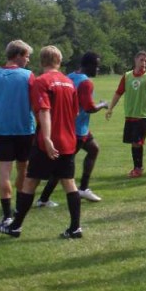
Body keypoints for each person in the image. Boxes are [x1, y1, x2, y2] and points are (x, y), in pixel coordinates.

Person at [0, 46, 83, 239]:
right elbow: (75, 112)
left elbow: (44, 110)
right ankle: (75, 228)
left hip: (48, 142)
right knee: (69, 183)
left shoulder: (41, 81)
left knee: (30, 182)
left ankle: (15, 227)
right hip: (69, 140)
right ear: (59, 61)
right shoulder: (69, 82)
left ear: (42, 61)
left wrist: (47, 138)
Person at [36, 52, 108, 206]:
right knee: (62, 167)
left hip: (72, 126)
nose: (98, 69)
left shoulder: (69, 76)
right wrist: (103, 104)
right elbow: (89, 108)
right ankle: (44, 199)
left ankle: (83, 188)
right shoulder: (86, 83)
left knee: (94, 149)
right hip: (76, 130)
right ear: (89, 65)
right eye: (96, 66)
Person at [0, 40, 35, 226]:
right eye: (27, 56)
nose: (28, 60)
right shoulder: (28, 76)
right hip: (24, 129)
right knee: (23, 169)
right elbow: (36, 105)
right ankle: (19, 209)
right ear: (18, 55)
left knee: (4, 171)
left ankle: (7, 215)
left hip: (1, 129)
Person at [105, 51, 146, 178]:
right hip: (130, 114)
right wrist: (110, 108)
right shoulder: (127, 76)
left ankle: (138, 168)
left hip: (143, 115)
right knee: (133, 142)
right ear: (135, 60)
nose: (144, 63)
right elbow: (118, 93)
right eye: (141, 60)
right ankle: (137, 167)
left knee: (137, 142)